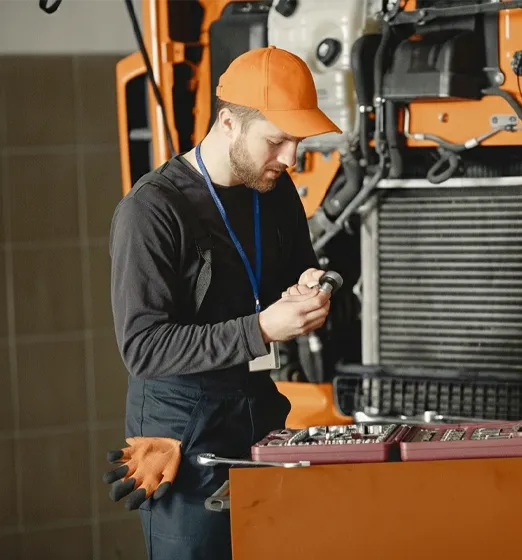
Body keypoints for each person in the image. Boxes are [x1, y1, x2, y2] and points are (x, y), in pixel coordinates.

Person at [103, 46, 341, 559]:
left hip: (259, 415)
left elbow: (299, 267)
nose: (291, 158)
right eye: (277, 141)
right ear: (229, 122)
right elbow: (143, 349)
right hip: (182, 444)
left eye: (297, 141)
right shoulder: (151, 211)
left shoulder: (275, 192)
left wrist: (315, 286)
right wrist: (262, 329)